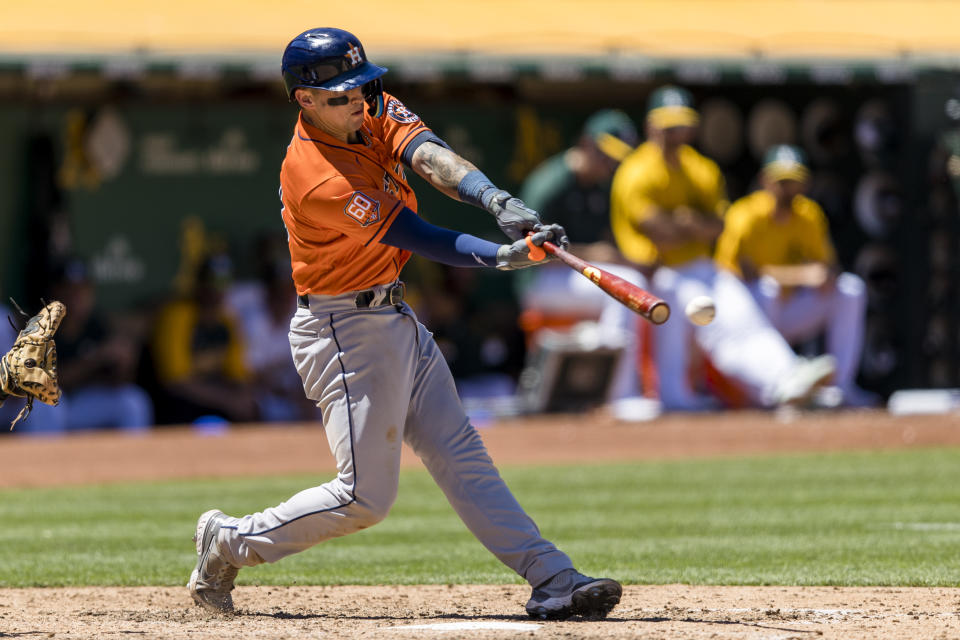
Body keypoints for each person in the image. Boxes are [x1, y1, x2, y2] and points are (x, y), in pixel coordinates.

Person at [187, 28, 621, 621]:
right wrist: (501, 257)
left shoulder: (369, 108)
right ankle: (228, 541)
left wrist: (494, 200)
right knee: (365, 498)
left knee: (461, 453)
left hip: (393, 315)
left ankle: (552, 576)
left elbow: (429, 156)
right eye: (341, 95)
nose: (358, 101)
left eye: (363, 87)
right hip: (341, 332)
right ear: (305, 100)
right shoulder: (314, 174)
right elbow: (417, 234)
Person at [610, 85, 836, 411]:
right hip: (654, 272)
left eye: (681, 125)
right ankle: (689, 395)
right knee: (716, 329)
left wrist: (687, 224)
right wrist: (691, 225)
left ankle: (789, 375)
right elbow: (658, 232)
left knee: (746, 316)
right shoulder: (637, 171)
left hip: (702, 265)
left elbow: (719, 225)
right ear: (651, 126)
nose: (675, 133)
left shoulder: (701, 168)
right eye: (668, 126)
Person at [715, 145, 877, 407]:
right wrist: (801, 275)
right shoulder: (745, 214)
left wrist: (822, 276)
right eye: (781, 181)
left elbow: (827, 269)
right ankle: (782, 384)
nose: (788, 188)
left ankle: (841, 387)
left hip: (791, 310)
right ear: (764, 181)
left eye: (794, 181)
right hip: (755, 316)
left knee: (850, 289)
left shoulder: (808, 213)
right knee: (767, 288)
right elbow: (741, 273)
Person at [518, 110, 656, 412]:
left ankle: (650, 388)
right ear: (585, 144)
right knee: (624, 292)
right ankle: (619, 395)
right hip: (538, 280)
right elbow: (527, 250)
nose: (610, 164)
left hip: (574, 277)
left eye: (615, 158)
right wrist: (595, 255)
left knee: (643, 283)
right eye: (605, 155)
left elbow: (609, 243)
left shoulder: (603, 187)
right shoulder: (550, 183)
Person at [151, 253, 258, 425]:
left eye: (223, 284)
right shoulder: (178, 316)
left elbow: (238, 374)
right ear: (200, 285)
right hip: (177, 403)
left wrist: (243, 397)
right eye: (212, 283)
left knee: (252, 407)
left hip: (212, 397)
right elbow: (176, 382)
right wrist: (227, 400)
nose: (217, 290)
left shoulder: (227, 320)